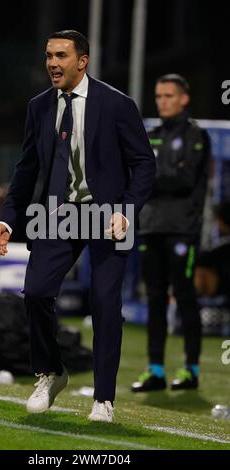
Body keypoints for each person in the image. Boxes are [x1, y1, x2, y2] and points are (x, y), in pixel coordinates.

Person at [0, 30, 155, 422]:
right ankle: (51, 372)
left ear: (82, 61)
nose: (52, 63)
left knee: (104, 304)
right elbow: (27, 169)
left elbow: (145, 163)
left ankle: (103, 398)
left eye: (61, 55)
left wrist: (127, 209)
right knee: (36, 293)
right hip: (57, 214)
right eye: (48, 55)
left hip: (109, 215)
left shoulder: (117, 104)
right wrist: (7, 220)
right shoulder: (39, 107)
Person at [131, 74, 210, 393]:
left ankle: (191, 369)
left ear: (184, 99)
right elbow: (139, 175)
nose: (162, 100)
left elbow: (185, 179)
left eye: (168, 95)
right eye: (158, 95)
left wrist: (150, 176)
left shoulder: (196, 135)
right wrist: (154, 175)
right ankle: (156, 370)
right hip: (150, 228)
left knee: (185, 296)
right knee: (154, 299)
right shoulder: (149, 135)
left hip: (182, 231)